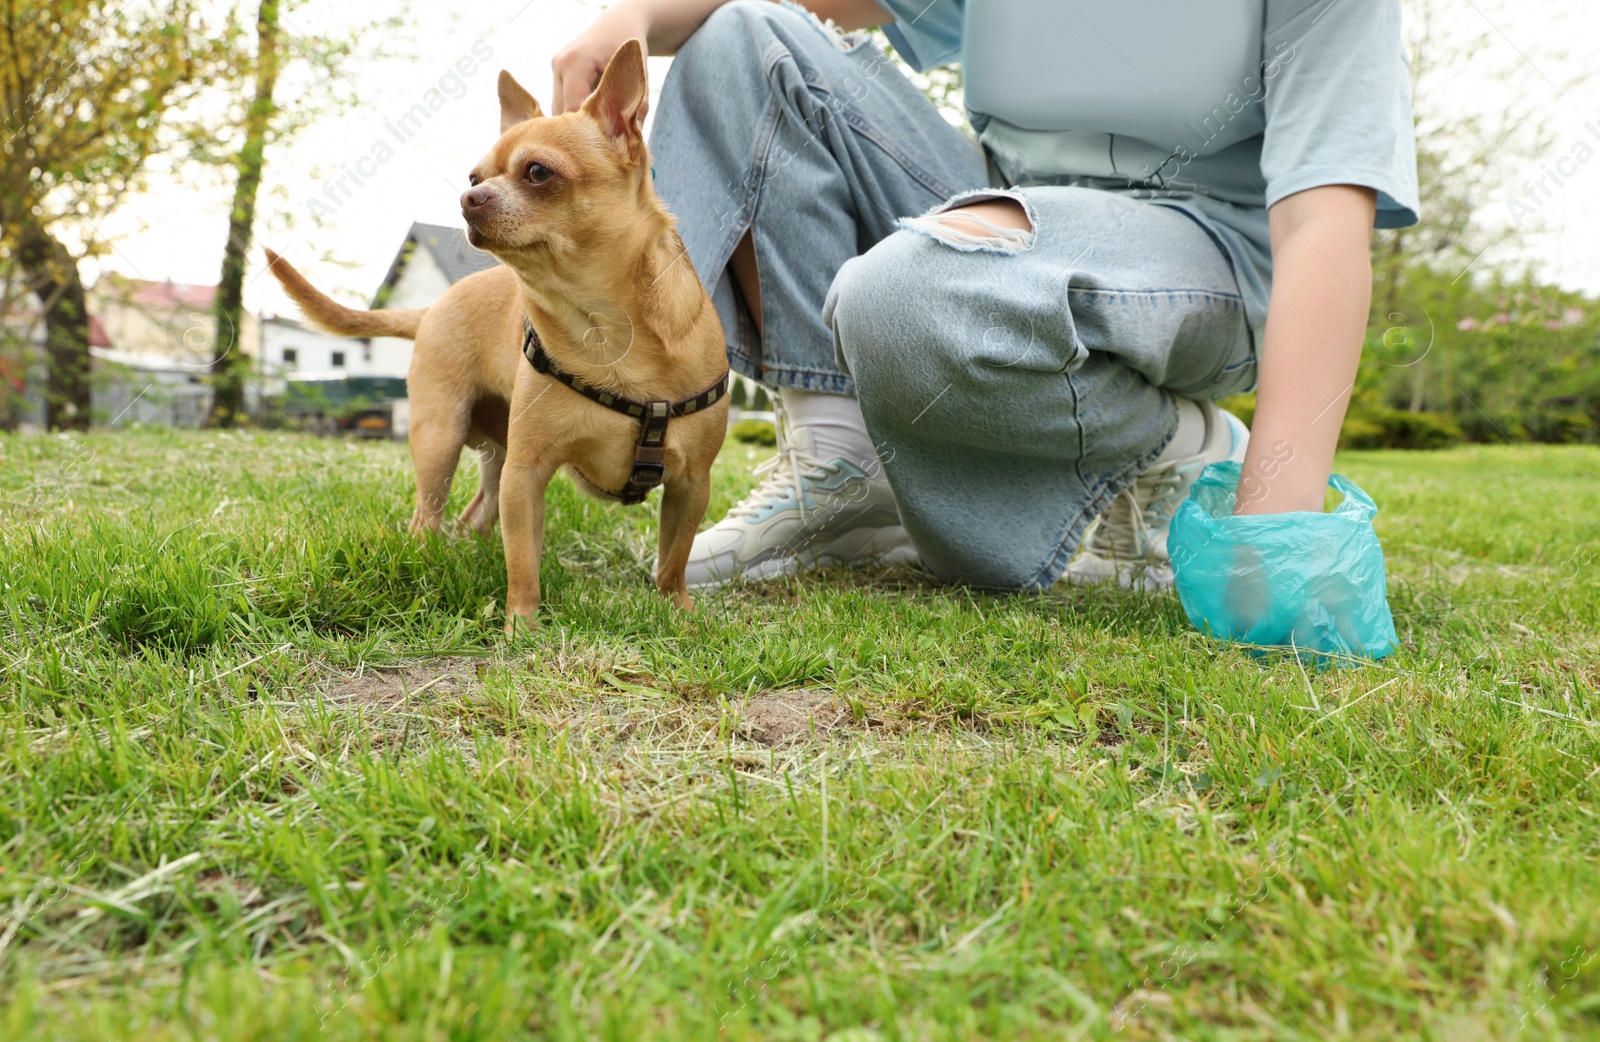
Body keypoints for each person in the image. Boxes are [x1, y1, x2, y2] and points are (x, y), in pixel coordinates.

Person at [550, 0, 1418, 603]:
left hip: (1206, 254)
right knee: (742, 36)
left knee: (903, 296)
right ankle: (841, 462)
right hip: (1004, 211)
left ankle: (1183, 445)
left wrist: (1273, 524)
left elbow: (1321, 226)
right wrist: (632, 15)